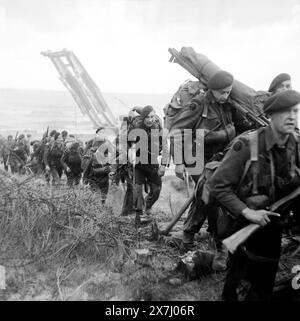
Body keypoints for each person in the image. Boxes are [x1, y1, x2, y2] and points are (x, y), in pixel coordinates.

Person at [208, 89, 300, 301]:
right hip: (244, 227)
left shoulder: (295, 145)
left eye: (295, 111)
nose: (292, 117)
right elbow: (218, 186)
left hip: (273, 226)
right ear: (271, 116)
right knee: (239, 284)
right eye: (286, 112)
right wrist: (247, 212)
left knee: (265, 281)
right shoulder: (246, 145)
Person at [171, 70, 243, 270]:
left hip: (218, 158)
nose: (225, 96)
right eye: (222, 92)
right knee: (208, 191)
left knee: (216, 198)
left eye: (228, 92)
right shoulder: (198, 104)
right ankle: (189, 236)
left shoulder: (228, 106)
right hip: (196, 157)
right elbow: (177, 131)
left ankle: (213, 237)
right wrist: (178, 162)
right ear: (212, 89)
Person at [127, 105, 168, 220]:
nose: (150, 120)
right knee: (137, 190)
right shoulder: (136, 127)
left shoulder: (158, 128)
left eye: (152, 117)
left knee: (156, 190)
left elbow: (165, 147)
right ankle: (139, 214)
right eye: (148, 117)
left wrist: (163, 165)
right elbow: (130, 145)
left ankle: (148, 205)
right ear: (143, 118)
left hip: (153, 163)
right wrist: (132, 153)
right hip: (139, 163)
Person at [83, 136, 112, 204]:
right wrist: (85, 179)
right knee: (97, 195)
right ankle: (97, 207)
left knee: (103, 196)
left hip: (104, 179)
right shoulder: (93, 156)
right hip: (94, 179)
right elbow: (87, 168)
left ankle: (102, 206)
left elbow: (112, 168)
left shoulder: (108, 157)